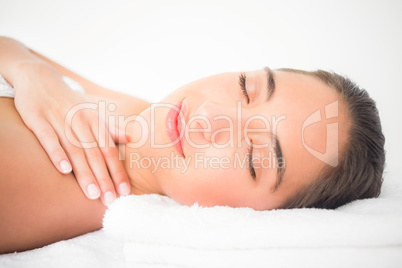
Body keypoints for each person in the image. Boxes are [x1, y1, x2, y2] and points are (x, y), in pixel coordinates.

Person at [0, 37, 385, 253]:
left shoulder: (37, 183)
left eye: (254, 157)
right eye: (245, 89)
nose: (209, 116)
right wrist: (29, 70)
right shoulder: (141, 117)